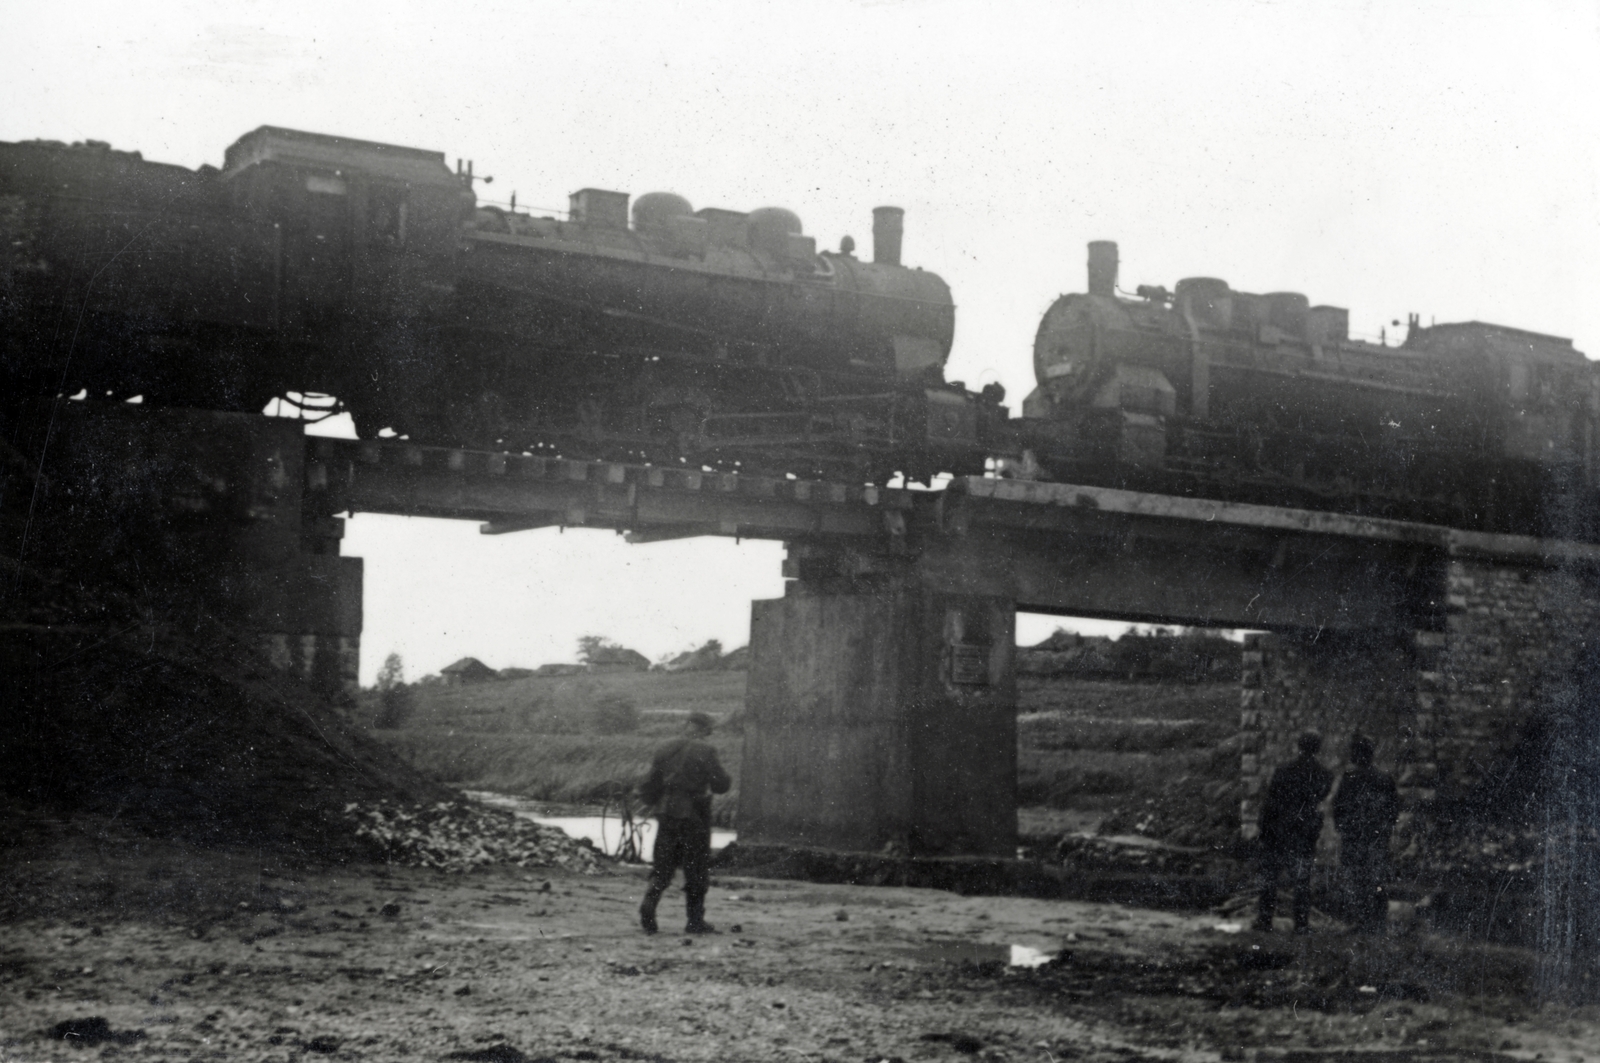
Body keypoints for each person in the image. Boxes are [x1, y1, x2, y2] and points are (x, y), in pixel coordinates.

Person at [637, 711, 731, 935]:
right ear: (702, 729)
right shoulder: (706, 751)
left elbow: (650, 785)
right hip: (694, 815)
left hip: (666, 813)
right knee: (696, 866)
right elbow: (721, 785)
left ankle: (649, 905)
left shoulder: (664, 747)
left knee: (663, 863)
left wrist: (653, 800)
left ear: (686, 725)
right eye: (707, 731)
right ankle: (694, 921)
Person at [1255, 731, 1333, 934]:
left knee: (1270, 877)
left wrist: (1263, 828)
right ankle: (1301, 924)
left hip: (1279, 830)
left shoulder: (1283, 770)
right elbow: (1317, 800)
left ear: (1299, 746)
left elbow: (1271, 802)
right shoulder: (1325, 775)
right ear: (1317, 748)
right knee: (1302, 880)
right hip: (1304, 831)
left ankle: (1264, 921)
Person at [1332, 733, 1399, 934]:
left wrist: (1344, 828)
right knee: (1375, 879)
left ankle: (1364, 921)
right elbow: (1393, 810)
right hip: (1374, 839)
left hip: (1355, 838)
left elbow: (1338, 808)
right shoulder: (1384, 779)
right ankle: (1376, 922)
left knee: (1359, 880)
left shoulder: (1350, 778)